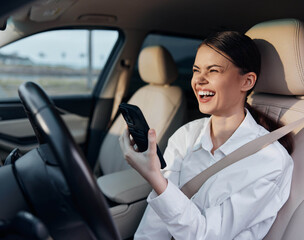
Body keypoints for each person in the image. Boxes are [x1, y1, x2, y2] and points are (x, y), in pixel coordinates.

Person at [119, 31, 294, 240]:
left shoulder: (270, 161)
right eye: (196, 70)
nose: (199, 80)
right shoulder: (186, 135)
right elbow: (154, 225)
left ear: (247, 82)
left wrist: (154, 177)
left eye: (213, 71)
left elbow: (206, 235)